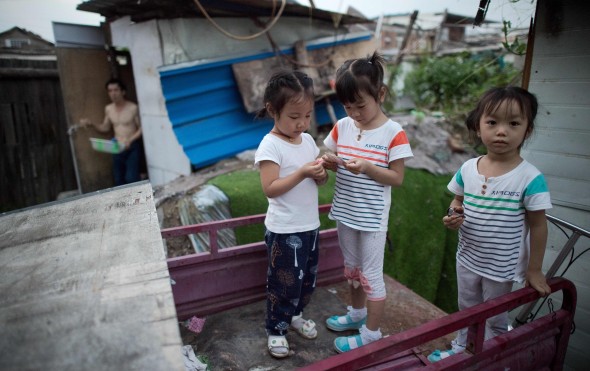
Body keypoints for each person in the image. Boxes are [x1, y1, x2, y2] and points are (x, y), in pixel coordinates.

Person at [427, 86, 552, 362]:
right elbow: (456, 202)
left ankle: (492, 358)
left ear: (527, 130)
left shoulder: (530, 178)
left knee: (495, 317)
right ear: (478, 125)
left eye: (513, 123)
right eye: (492, 122)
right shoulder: (468, 168)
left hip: (500, 267)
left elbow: (539, 226)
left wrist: (534, 270)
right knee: (466, 307)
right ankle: (462, 348)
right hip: (468, 258)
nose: (501, 131)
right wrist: (452, 215)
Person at [321, 51, 414, 353]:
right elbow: (326, 155)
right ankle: (357, 315)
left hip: (372, 218)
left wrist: (370, 168)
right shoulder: (343, 126)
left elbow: (397, 178)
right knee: (352, 269)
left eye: (360, 105)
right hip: (346, 211)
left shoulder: (393, 133)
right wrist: (329, 163)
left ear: (381, 94)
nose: (355, 113)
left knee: (371, 276)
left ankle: (372, 334)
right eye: (348, 107)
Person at [254, 70, 328, 358]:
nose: (302, 123)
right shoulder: (270, 145)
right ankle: (276, 329)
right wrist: (302, 172)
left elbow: (315, 180)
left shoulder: (307, 141)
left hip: (310, 225)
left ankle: (295, 316)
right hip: (284, 230)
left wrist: (320, 174)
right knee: (283, 283)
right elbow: (270, 188)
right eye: (294, 116)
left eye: (307, 115)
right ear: (273, 110)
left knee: (306, 281)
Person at [81, 78, 143, 186]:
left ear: (123, 92)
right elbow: (105, 127)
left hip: (131, 146)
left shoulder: (132, 108)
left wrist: (130, 140)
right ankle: (124, 202)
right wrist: (92, 124)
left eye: (116, 90)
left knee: (132, 178)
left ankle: (139, 201)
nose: (113, 94)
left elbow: (142, 128)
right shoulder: (109, 109)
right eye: (110, 91)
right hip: (116, 147)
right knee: (119, 179)